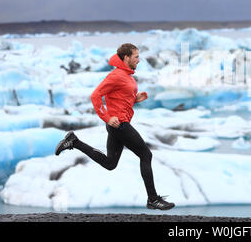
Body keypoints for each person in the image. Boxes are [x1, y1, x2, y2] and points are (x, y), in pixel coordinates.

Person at [55, 43, 175, 210]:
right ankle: (153, 199)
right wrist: (106, 117)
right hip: (119, 125)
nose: (139, 60)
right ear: (126, 58)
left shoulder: (127, 76)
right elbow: (96, 95)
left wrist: (135, 99)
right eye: (136, 57)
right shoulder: (116, 75)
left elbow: (119, 97)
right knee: (146, 154)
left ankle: (74, 142)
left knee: (110, 164)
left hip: (118, 124)